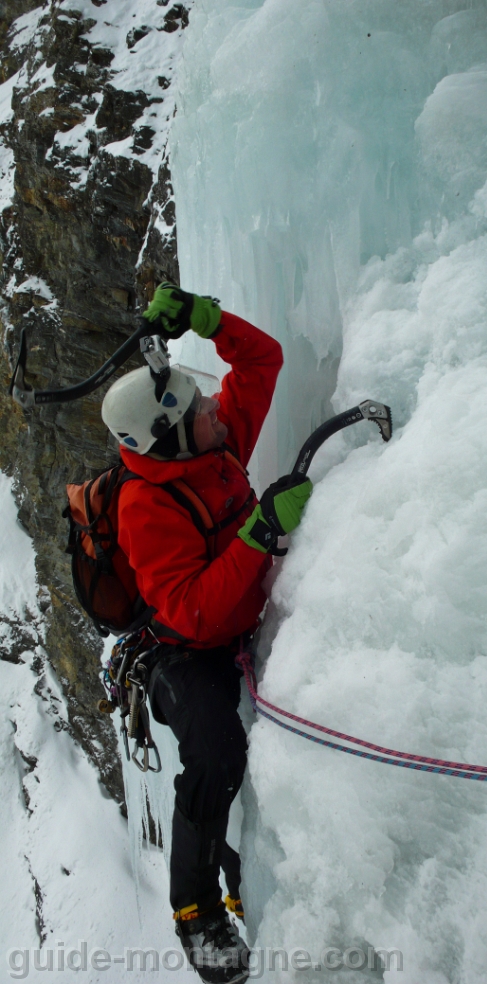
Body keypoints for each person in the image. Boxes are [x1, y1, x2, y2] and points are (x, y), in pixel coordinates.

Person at [100, 284, 312, 984]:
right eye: (196, 412)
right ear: (168, 439)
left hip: (225, 628)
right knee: (216, 752)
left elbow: (263, 364)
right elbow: (191, 611)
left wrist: (205, 318)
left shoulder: (209, 448)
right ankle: (194, 909)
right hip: (180, 655)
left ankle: (233, 862)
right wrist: (260, 530)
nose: (215, 409)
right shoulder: (145, 505)